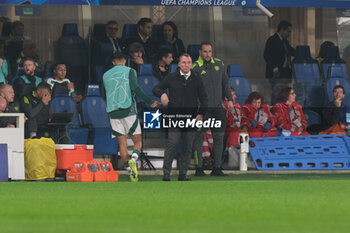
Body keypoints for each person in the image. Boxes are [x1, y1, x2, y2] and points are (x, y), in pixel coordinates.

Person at [102, 52, 159, 182]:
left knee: (122, 143)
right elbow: (136, 89)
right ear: (125, 61)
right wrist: (150, 101)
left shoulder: (105, 75)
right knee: (137, 142)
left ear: (113, 62)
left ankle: (129, 171)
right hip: (128, 110)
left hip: (112, 112)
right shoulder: (130, 71)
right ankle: (133, 160)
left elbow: (104, 94)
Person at [153, 53, 208, 181]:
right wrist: (162, 94)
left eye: (188, 63)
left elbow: (204, 99)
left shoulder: (196, 78)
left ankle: (183, 174)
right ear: (179, 64)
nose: (186, 65)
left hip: (191, 118)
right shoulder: (171, 77)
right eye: (183, 62)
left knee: (188, 146)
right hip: (174, 117)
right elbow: (156, 89)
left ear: (191, 64)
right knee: (172, 143)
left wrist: (201, 114)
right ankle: (166, 173)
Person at [192, 42, 233, 176]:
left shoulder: (219, 64)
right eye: (205, 51)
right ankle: (198, 168)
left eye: (210, 51)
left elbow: (226, 84)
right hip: (202, 109)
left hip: (217, 108)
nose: (208, 54)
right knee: (199, 137)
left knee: (219, 138)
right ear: (200, 52)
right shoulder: (195, 67)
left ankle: (217, 167)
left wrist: (230, 100)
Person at [263, 20, 295, 104]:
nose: (289, 34)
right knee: (276, 93)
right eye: (288, 31)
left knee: (285, 94)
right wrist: (275, 68)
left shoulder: (285, 42)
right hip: (276, 73)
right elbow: (267, 55)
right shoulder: (272, 40)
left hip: (285, 73)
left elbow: (291, 51)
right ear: (282, 30)